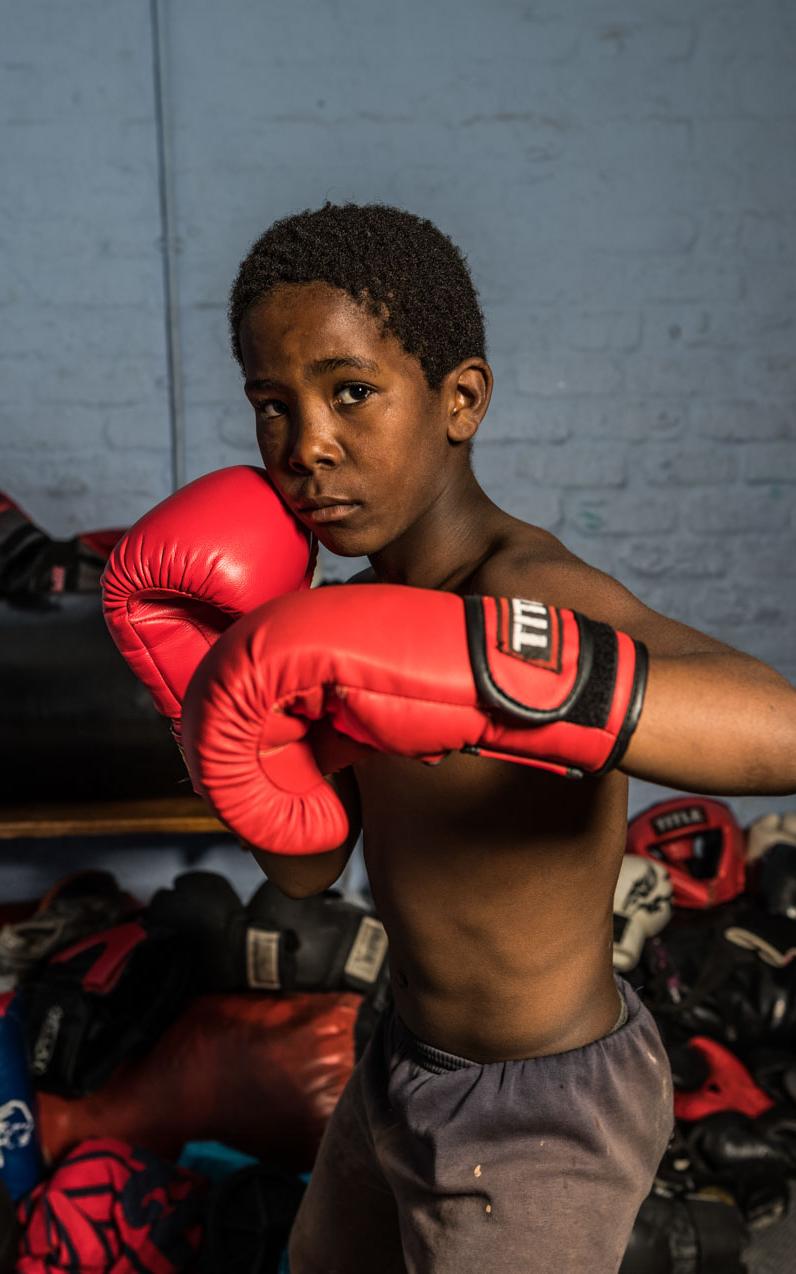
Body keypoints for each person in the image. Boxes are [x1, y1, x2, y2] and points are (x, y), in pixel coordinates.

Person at [112, 202, 796, 1273]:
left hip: (540, 1107)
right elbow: (306, 863)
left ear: (459, 399)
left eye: (349, 392)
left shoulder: (528, 589)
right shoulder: (338, 627)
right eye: (270, 405)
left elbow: (779, 727)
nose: (307, 446)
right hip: (404, 1051)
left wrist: (515, 678)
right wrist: (204, 696)